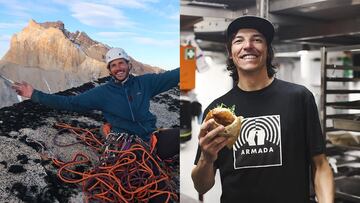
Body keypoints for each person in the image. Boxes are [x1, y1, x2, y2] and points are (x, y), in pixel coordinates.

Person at [191, 16, 334, 203]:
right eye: (238, 41)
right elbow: (201, 186)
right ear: (230, 52)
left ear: (267, 50)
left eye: (257, 39)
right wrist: (206, 159)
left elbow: (321, 166)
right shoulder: (218, 112)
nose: (248, 45)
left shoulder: (299, 98)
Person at [12, 47, 179, 201]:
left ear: (129, 65)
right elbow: (71, 103)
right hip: (128, 147)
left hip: (151, 138)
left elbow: (174, 76)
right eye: (113, 65)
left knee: (186, 135)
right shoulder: (103, 93)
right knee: (158, 190)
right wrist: (34, 94)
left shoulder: (145, 83)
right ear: (109, 70)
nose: (118, 67)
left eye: (121, 63)